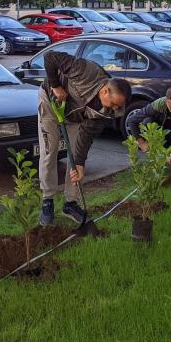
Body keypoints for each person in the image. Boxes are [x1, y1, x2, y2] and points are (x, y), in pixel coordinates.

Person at [39, 51, 131, 225]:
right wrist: (56, 85)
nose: (114, 109)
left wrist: (80, 164)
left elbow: (86, 136)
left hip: (75, 117)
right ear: (105, 91)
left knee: (75, 159)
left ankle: (70, 203)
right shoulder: (85, 71)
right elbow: (50, 57)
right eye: (113, 104)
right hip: (51, 103)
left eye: (118, 106)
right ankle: (47, 199)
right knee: (49, 152)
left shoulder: (108, 112)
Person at [125, 87, 171, 163]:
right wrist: (141, 142)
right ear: (166, 102)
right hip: (166, 132)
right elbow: (132, 120)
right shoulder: (158, 105)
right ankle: (161, 158)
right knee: (148, 121)